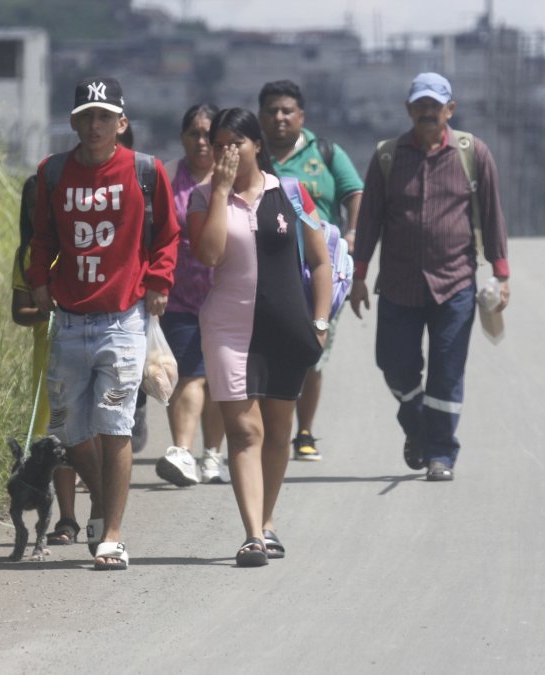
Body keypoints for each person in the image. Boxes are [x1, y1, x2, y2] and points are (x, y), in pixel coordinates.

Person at [28, 76, 180, 569]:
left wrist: (158, 280)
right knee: (70, 431)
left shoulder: (144, 171)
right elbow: (42, 238)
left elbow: (168, 236)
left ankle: (112, 534)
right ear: (74, 122)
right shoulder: (52, 173)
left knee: (115, 426)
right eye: (85, 117)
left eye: (104, 117)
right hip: (69, 321)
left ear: (122, 122)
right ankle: (101, 498)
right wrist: (38, 281)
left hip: (123, 321)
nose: (95, 126)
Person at [349, 72, 511, 482]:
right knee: (393, 365)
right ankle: (417, 424)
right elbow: (368, 221)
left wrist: (502, 274)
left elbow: (492, 216)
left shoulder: (472, 153)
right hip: (399, 285)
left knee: (446, 372)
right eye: (420, 106)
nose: (427, 113)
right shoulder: (387, 157)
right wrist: (359, 275)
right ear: (409, 110)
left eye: (435, 107)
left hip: (454, 283)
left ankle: (441, 454)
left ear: (449, 110)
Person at [188, 107, 332, 566]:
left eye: (236, 143)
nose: (226, 152)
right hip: (229, 328)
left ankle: (267, 522)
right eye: (219, 143)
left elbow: (320, 260)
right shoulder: (201, 197)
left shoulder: (294, 192)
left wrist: (322, 320)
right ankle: (252, 534)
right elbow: (209, 254)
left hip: (285, 328)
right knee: (244, 430)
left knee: (277, 430)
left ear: (256, 146)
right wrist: (222, 192)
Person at [258, 79, 363, 462]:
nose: (280, 118)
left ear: (301, 116)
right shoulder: (254, 155)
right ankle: (267, 433)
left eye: (287, 111)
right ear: (260, 117)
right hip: (268, 274)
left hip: (316, 272)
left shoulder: (326, 152)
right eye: (272, 111)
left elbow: (355, 191)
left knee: (313, 353)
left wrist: (352, 234)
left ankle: (304, 432)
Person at [154, 103, 231, 486]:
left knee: (217, 377)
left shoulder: (231, 177)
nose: (201, 142)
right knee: (186, 374)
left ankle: (213, 453)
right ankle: (183, 452)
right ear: (183, 137)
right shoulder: (166, 178)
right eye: (194, 134)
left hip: (226, 294)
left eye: (208, 135)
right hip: (178, 294)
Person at [10, 176, 87, 546]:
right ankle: (64, 519)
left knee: (81, 436)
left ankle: (93, 515)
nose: (38, 212)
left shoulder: (77, 244)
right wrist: (44, 312)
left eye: (44, 204)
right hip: (47, 360)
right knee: (53, 439)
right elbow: (19, 312)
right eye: (32, 206)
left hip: (84, 351)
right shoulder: (25, 254)